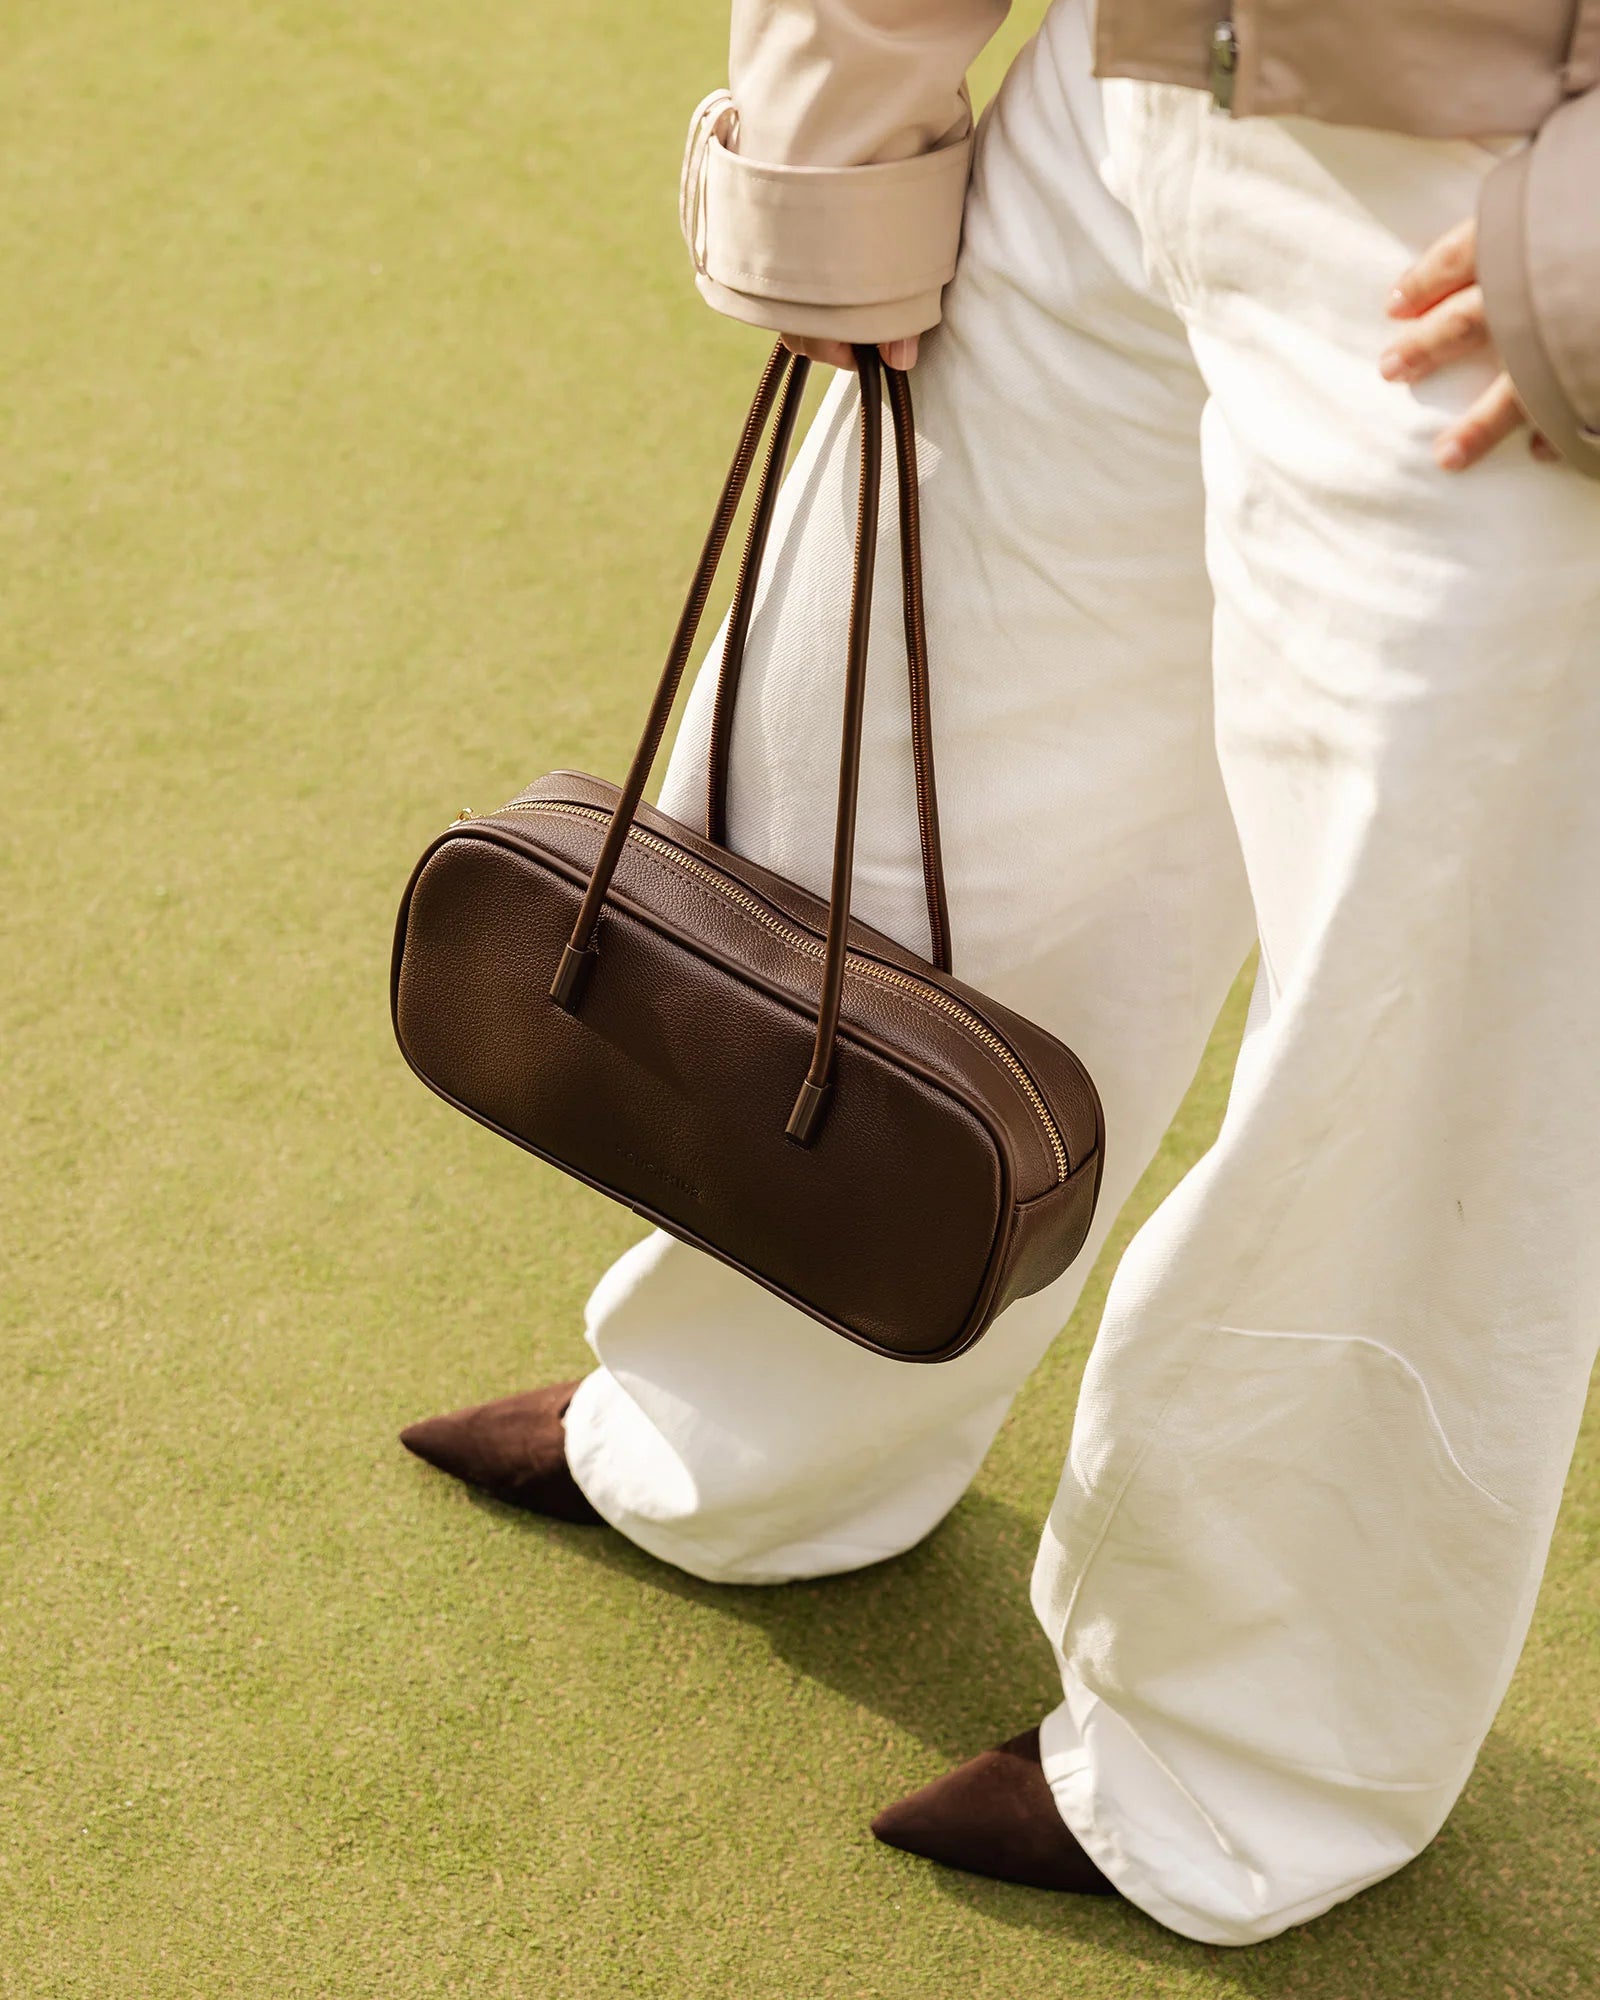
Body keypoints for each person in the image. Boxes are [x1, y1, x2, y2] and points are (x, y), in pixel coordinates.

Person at [400, 0, 1600, 1946]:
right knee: (872, 812)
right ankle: (749, 1433)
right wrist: (837, 125)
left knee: (1404, 1056)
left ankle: (1246, 1758)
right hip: (1124, 90)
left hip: (1499, 210)